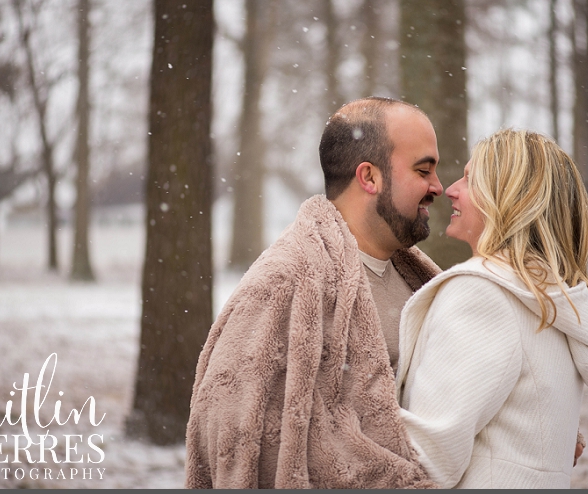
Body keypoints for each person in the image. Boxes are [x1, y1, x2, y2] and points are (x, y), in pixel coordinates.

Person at [185, 97, 444, 488]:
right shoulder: (286, 281)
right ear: (369, 177)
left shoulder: (420, 284)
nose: (437, 187)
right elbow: (227, 424)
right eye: (423, 170)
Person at [395, 128, 588, 489]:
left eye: (471, 180)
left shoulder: (482, 294)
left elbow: (428, 457)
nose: (451, 189)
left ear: (509, 199)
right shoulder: (548, 298)